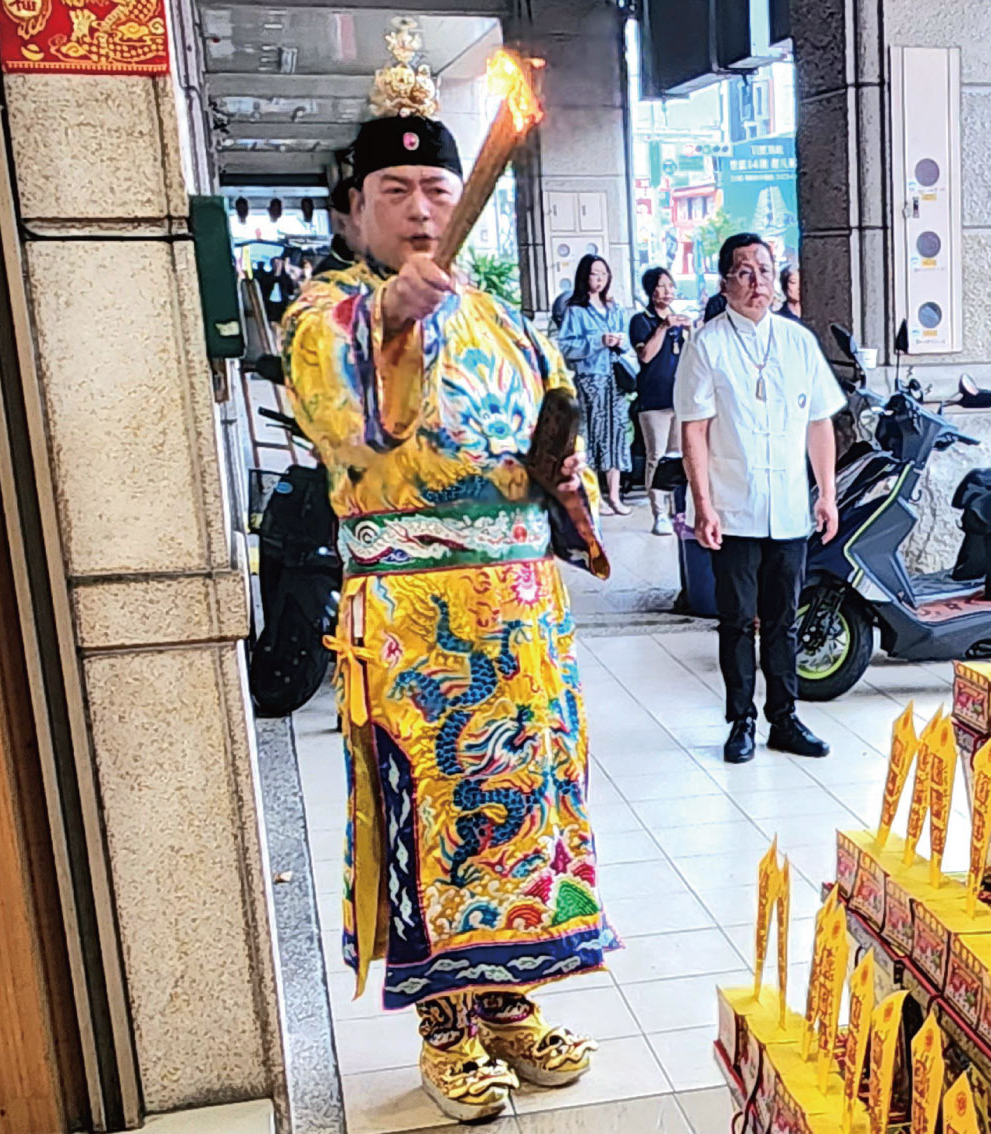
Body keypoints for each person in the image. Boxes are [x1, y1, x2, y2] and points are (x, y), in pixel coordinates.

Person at [281, 111, 610, 1122]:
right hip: (416, 625)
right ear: (355, 212)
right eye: (396, 193)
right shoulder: (326, 311)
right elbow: (331, 404)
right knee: (429, 809)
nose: (422, 209)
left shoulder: (501, 316)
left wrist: (560, 474)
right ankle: (441, 1022)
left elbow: (557, 425)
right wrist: (384, 318)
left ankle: (506, 996)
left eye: (435, 192)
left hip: (520, 617)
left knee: (529, 804)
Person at [676, 232, 843, 764]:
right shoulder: (707, 344)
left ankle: (785, 718)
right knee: (735, 621)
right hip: (733, 507)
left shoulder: (798, 342)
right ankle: (741, 720)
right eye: (744, 272)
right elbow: (694, 432)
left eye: (765, 271)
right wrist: (703, 504)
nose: (757, 282)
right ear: (725, 281)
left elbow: (819, 423)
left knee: (783, 621)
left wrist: (827, 494)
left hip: (790, 506)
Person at [557, 254, 636, 516]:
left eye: (603, 273)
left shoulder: (615, 309)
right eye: (594, 273)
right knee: (592, 436)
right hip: (590, 379)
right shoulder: (575, 310)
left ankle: (614, 495)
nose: (600, 279)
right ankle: (595, 495)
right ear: (584, 277)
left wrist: (619, 341)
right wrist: (597, 340)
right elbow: (566, 347)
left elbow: (628, 345)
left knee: (616, 435)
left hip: (614, 380)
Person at [631, 266, 690, 534]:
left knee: (676, 455)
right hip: (653, 399)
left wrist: (690, 328)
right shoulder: (641, 320)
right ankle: (658, 513)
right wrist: (664, 328)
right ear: (650, 290)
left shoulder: (679, 320)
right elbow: (645, 356)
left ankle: (677, 508)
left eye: (671, 286)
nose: (668, 291)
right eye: (662, 286)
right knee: (655, 455)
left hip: (680, 397)